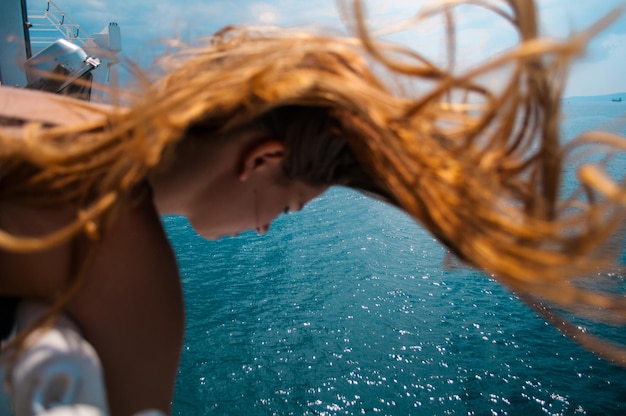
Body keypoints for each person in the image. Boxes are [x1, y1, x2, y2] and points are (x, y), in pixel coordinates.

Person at [1, 0, 625, 414]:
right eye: (290, 206)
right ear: (262, 161)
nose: (267, 226)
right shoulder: (130, 267)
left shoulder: (45, 114)